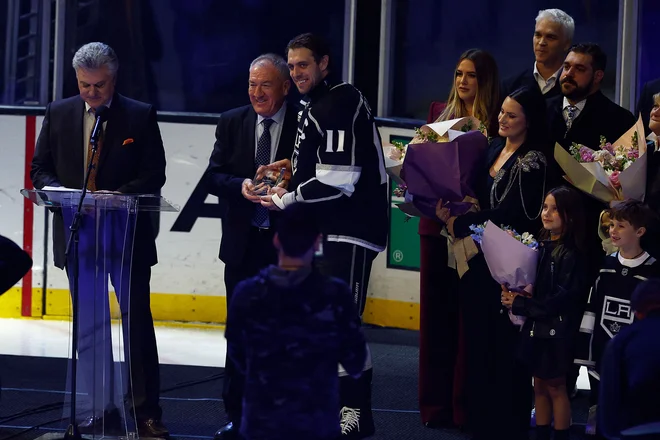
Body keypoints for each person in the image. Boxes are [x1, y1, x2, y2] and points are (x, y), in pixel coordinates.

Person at [30, 42, 168, 438]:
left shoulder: (140, 116)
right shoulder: (59, 113)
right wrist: (62, 192)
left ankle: (145, 416)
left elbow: (153, 175)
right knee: (89, 328)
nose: (92, 93)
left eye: (100, 86)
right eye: (85, 85)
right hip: (80, 238)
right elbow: (40, 170)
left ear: (114, 77)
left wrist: (118, 197)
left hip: (126, 240)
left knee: (136, 326)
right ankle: (97, 409)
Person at [260, 32, 388, 439]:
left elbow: (339, 182)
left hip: (349, 230)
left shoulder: (338, 101)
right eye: (292, 64)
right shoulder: (320, 103)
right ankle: (344, 411)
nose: (296, 72)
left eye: (304, 64)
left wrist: (285, 199)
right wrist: (293, 170)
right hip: (331, 229)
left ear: (324, 64)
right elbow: (325, 167)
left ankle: (352, 412)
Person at [439, 86, 550, 440]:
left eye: (511, 115)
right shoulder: (493, 148)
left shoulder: (534, 160)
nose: (502, 119)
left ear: (528, 122)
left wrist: (464, 222)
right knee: (477, 340)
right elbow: (481, 197)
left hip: (509, 265)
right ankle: (479, 420)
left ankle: (506, 424)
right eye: (501, 111)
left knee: (504, 347)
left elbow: (514, 214)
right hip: (478, 259)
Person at [206, 53, 298, 440]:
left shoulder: (303, 123)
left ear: (285, 87)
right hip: (243, 248)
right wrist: (240, 186)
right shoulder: (232, 121)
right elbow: (214, 175)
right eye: (251, 84)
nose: (256, 93)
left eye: (265, 85)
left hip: (285, 249)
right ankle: (237, 416)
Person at [224, 203, 368, 440]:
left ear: (277, 240)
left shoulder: (247, 293)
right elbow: (355, 361)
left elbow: (238, 357)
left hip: (261, 422)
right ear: (317, 242)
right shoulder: (335, 295)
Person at [418, 48, 500, 429]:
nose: (463, 81)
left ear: (484, 81)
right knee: (436, 321)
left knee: (468, 324)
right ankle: (435, 408)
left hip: (473, 236)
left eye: (471, 75)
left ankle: (465, 408)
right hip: (435, 229)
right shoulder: (438, 116)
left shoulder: (495, 125)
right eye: (458, 74)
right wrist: (435, 203)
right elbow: (416, 169)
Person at [502, 186, 588, 440]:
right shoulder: (541, 245)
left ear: (570, 215)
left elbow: (560, 299)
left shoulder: (572, 254)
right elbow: (536, 287)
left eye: (554, 209)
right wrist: (516, 295)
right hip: (537, 326)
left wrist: (521, 304)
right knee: (538, 385)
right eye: (545, 207)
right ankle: (540, 434)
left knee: (556, 386)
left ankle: (561, 435)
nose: (546, 213)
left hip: (557, 331)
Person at [574, 200, 660, 436]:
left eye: (621, 226)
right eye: (612, 225)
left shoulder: (653, 272)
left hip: (637, 362)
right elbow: (593, 308)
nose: (613, 231)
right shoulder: (605, 267)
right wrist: (586, 353)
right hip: (603, 358)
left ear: (640, 231)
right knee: (602, 419)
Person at [598, 278, 660, 440]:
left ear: (637, 311)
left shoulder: (621, 341)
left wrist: (613, 432)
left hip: (635, 429)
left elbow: (610, 396)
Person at [502, 8, 574, 100]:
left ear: (566, 44)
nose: (541, 42)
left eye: (550, 37)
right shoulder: (510, 87)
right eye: (538, 35)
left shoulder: (575, 87)